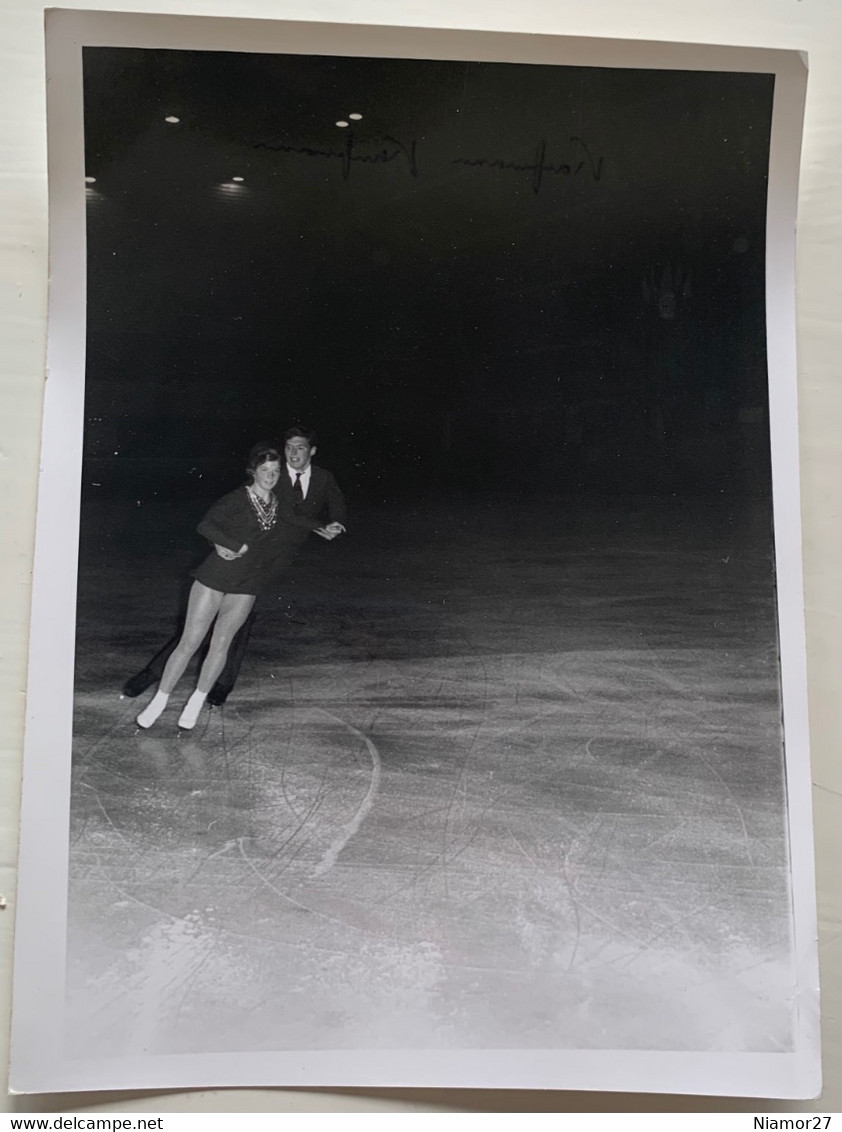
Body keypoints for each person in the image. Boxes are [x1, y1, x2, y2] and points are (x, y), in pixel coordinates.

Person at [127, 428, 346, 719]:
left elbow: (314, 510)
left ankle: (207, 695)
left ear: (311, 451)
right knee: (193, 636)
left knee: (227, 638)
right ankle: (159, 688)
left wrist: (327, 526)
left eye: (300, 449)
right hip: (225, 570)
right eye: (287, 449)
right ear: (255, 469)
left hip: (262, 572)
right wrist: (225, 544)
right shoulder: (252, 493)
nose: (292, 455)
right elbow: (210, 523)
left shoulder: (310, 484)